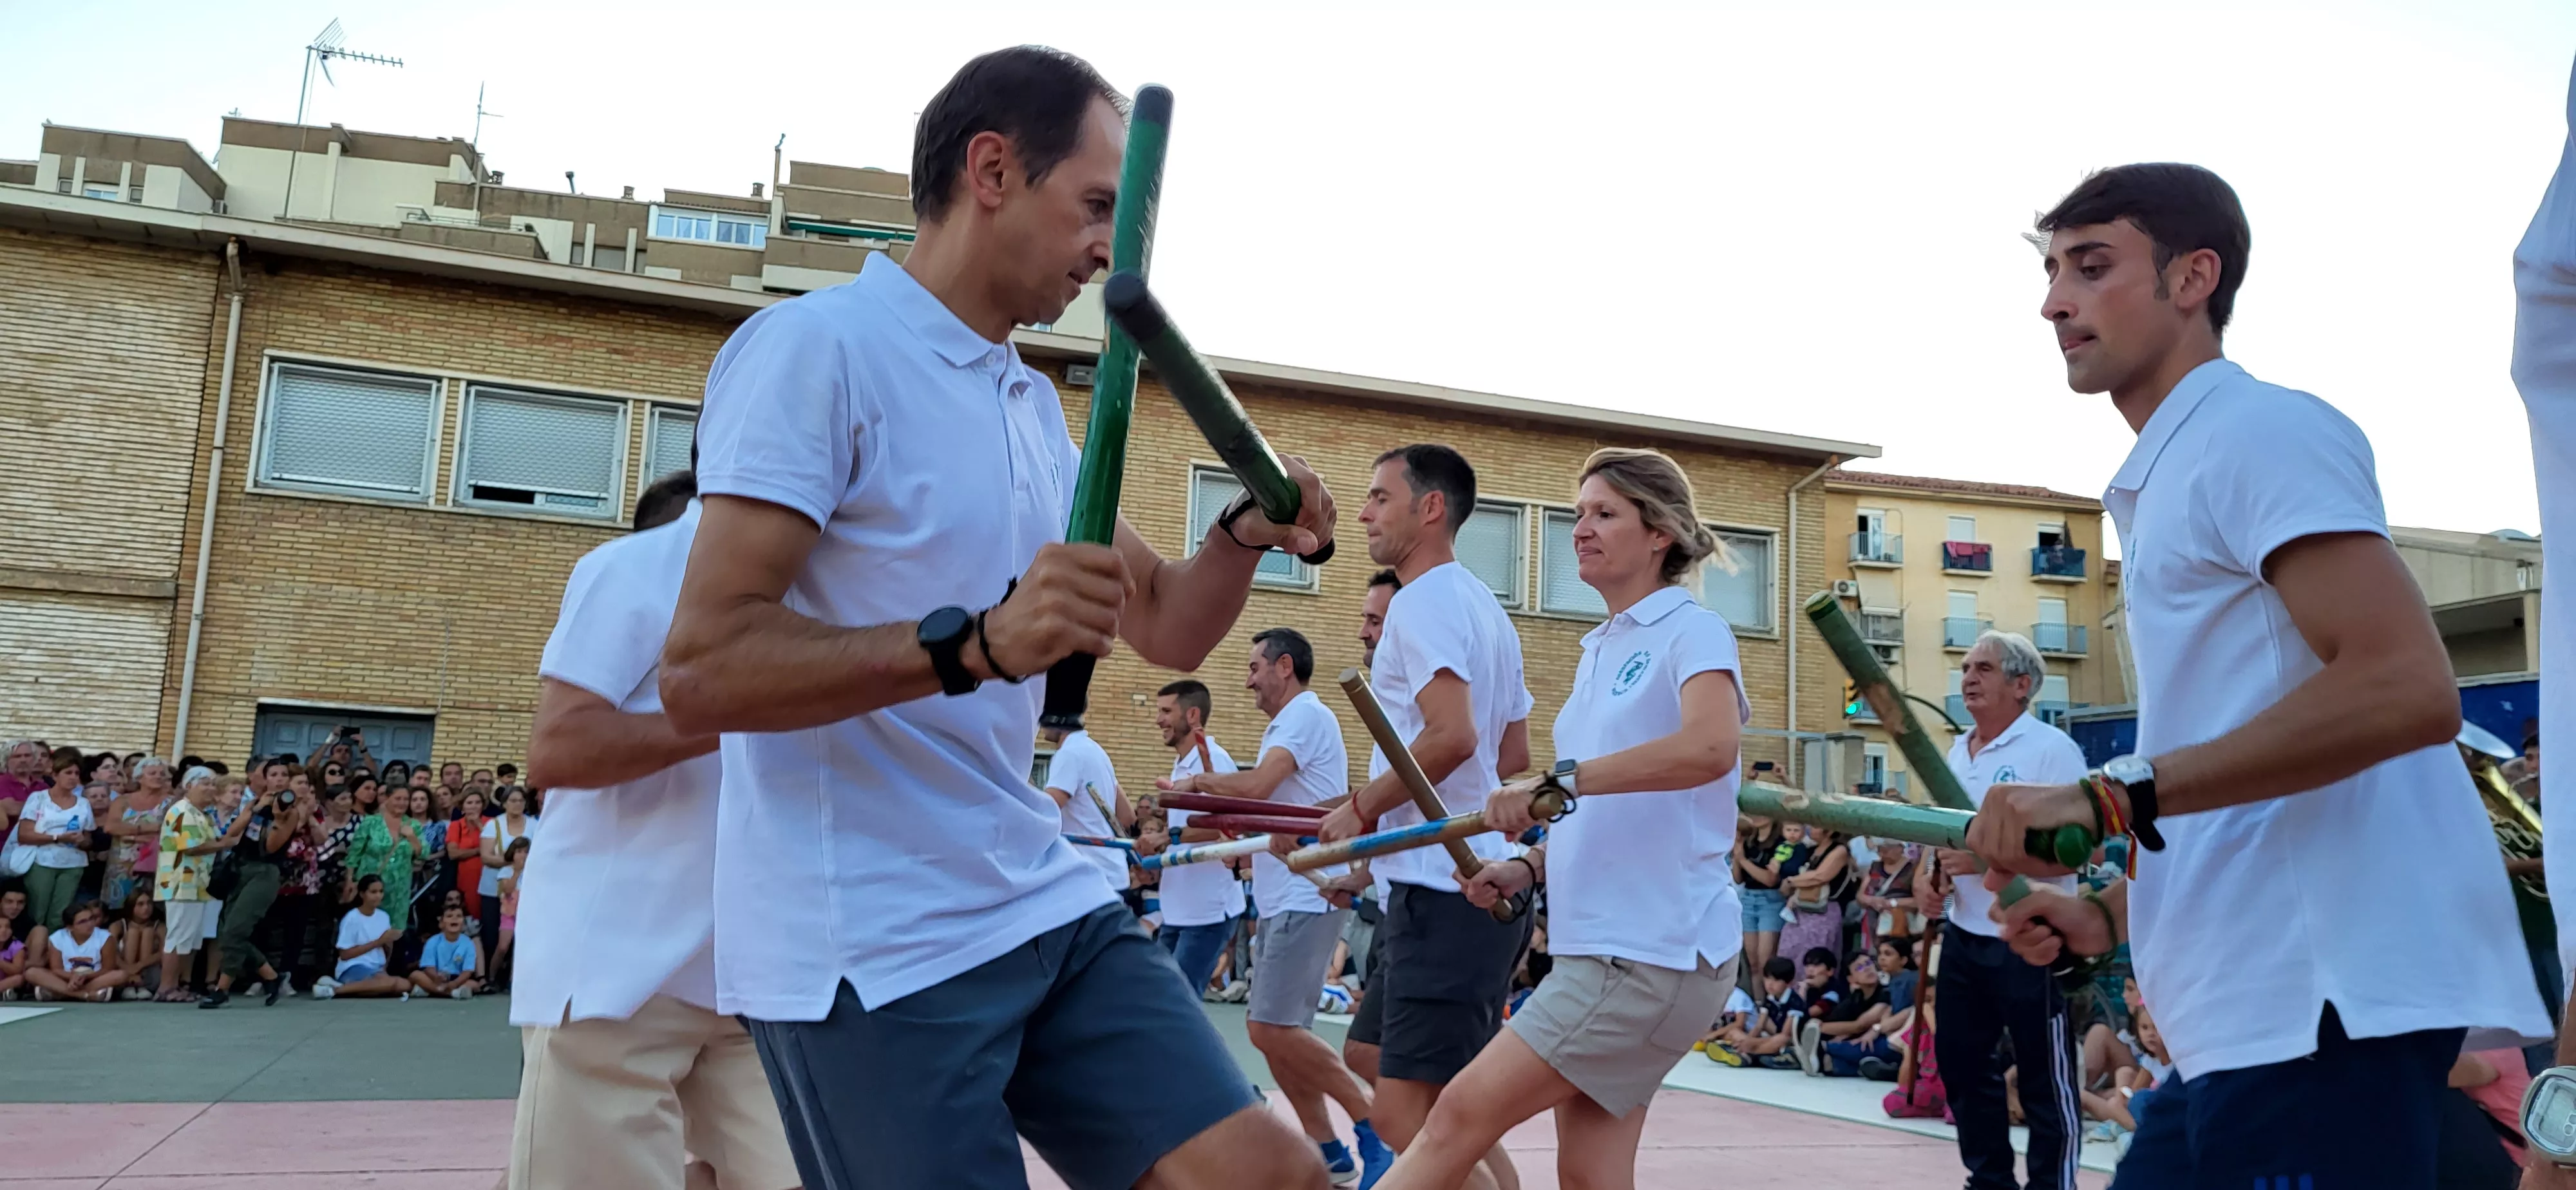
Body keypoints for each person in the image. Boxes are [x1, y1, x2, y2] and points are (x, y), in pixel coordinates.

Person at [658, 44, 1338, 1190]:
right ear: (990, 169)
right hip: (870, 939)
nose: (1104, 252)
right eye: (1093, 209)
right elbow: (703, 664)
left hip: (1034, 885)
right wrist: (977, 643)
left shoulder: (1028, 402)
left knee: (1271, 1175)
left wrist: (1239, 537)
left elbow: (1166, 621)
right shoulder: (818, 350)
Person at [1971, 163, 2548, 1187]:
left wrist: (2108, 796)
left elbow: (2406, 689)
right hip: (2244, 1019)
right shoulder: (2169, 476)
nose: (2054, 300)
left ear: (2196, 277)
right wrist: (2114, 913)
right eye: (2053, 270)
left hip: (2322, 1007)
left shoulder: (2259, 431)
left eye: (2093, 266)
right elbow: (2249, 745)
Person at [1378, 448, 1746, 1190]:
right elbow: (1612, 807)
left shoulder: (1691, 631)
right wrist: (1529, 864)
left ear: (1660, 533)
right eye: (1578, 514)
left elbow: (1709, 748)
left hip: (1649, 950)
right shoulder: (1600, 653)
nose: (1581, 529)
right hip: (1610, 947)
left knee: (1456, 1117)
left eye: (1604, 513)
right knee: (1590, 1176)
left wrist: (1559, 782)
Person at [510, 469, 799, 1190]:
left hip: (757, 974)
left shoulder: (822, 588)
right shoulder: (632, 569)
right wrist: (733, 710)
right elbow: (559, 749)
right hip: (618, 970)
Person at [1314, 444, 1531, 1190]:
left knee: (1411, 1120)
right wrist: (1368, 830)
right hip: (1443, 888)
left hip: (1452, 895)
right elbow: (1513, 756)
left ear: (1429, 507)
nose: (1366, 512)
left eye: (1379, 497)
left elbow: (1452, 737)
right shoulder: (1483, 608)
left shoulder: (1423, 601)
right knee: (1378, 1064)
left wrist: (1362, 808)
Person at [1162, 627, 1386, 1185]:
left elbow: (1260, 787)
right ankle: (1328, 1150)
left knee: (1269, 1031)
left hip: (1305, 894)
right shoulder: (1287, 725)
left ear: (1284, 666)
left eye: (1255, 667)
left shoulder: (1303, 717)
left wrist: (1196, 785)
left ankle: (1372, 1127)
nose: (1248, 680)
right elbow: (1268, 805)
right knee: (1285, 1042)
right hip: (1286, 891)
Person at [1913, 631, 2089, 1188]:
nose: (1968, 678)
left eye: (1983, 668)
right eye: (1965, 667)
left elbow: (2073, 848)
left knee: (2044, 1077)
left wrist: (1987, 858)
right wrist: (1926, 878)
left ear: (2021, 685)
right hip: (1966, 937)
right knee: (1963, 1066)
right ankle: (1988, 1180)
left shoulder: (2051, 751)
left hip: (2034, 935)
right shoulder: (1954, 753)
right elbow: (1935, 836)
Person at [1133, 679, 1245, 997]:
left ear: (1193, 715)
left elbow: (1230, 827)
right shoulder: (1182, 765)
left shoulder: (1216, 763)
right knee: (1164, 1000)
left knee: (1179, 1001)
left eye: (1166, 711)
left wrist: (1168, 838)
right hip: (1179, 907)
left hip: (1209, 909)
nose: (1159, 720)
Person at [204, 755, 297, 1008]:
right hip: (240, 869)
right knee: (227, 932)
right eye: (273, 775)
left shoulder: (291, 810)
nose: (279, 780)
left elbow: (271, 847)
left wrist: (277, 819)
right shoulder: (254, 802)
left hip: (265, 872)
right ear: (264, 779)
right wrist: (255, 810)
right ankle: (271, 977)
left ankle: (222, 989)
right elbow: (232, 834)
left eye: (283, 775)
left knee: (236, 931)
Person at [155, 767, 251, 1003]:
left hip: (198, 883)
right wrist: (225, 844)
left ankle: (176, 986)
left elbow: (218, 839)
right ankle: (166, 988)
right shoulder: (182, 811)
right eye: (204, 784)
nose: (210, 788)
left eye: (212, 784)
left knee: (189, 937)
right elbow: (190, 846)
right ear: (189, 786)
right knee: (177, 936)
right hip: (181, 881)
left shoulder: (202, 813)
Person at [1041, 723, 1132, 897]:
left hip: (1087, 879)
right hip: (1114, 874)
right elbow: (1127, 816)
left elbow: (1044, 813)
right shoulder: (1097, 751)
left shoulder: (1069, 754)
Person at [19, 750, 97, 929]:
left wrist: (82, 841)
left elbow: (89, 839)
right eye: (68, 773)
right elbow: (24, 834)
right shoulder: (38, 798)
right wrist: (58, 838)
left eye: (76, 773)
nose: (73, 777)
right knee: (37, 912)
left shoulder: (84, 803)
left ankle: (53, 951)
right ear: (55, 775)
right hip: (43, 862)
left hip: (73, 864)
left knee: (60, 914)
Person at [343, 777, 423, 936]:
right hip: (371, 887)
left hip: (398, 892)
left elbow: (422, 853)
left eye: (406, 799)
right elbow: (355, 853)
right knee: (366, 932)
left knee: (392, 935)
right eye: (398, 798)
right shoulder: (371, 822)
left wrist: (412, 837)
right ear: (387, 799)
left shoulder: (414, 825)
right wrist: (349, 880)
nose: (402, 803)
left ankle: (387, 961)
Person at [317, 874, 412, 999]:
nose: (378, 896)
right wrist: (377, 942)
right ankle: (336, 990)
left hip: (376, 968)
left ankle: (340, 988)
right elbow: (345, 954)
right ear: (362, 894)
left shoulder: (384, 917)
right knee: (389, 984)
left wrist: (386, 956)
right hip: (353, 966)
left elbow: (387, 948)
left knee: (404, 985)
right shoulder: (352, 918)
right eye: (373, 892)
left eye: (381, 892)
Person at [101, 757, 170, 908]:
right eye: (152, 773)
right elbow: (111, 827)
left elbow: (168, 831)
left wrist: (127, 834)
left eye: (162, 774)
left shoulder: (172, 803)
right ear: (139, 777)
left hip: (154, 866)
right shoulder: (122, 801)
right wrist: (145, 829)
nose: (158, 776)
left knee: (149, 911)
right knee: (116, 910)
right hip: (120, 868)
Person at [30, 900, 129, 1003]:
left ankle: (58, 992)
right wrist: (73, 977)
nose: (90, 924)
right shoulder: (58, 937)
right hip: (66, 979)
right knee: (31, 972)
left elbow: (108, 969)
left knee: (122, 975)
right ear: (70, 927)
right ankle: (84, 995)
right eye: (82, 922)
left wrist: (84, 977)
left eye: (91, 919)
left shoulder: (105, 937)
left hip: (93, 979)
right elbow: (56, 969)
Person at [478, 786, 537, 959]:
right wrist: (515, 862)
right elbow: (486, 857)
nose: (517, 804)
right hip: (493, 887)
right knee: (491, 931)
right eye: (513, 800)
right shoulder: (493, 824)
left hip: (525, 889)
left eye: (521, 800)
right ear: (504, 803)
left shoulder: (535, 825)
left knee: (520, 934)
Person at [1734, 813, 1787, 980]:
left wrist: (1742, 860)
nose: (1757, 816)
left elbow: (1770, 879)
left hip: (1770, 900)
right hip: (1748, 898)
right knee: (1753, 964)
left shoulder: (1781, 843)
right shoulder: (1749, 840)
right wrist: (1738, 855)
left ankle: (1771, 1002)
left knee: (1766, 962)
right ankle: (1759, 1003)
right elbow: (1738, 878)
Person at [411, 904, 482, 999]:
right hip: (436, 978)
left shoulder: (468, 943)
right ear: (442, 923)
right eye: (449, 916)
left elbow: (468, 971)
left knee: (474, 985)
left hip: (457, 979)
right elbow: (428, 967)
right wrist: (436, 978)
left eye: (459, 916)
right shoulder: (433, 941)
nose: (454, 919)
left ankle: (430, 990)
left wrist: (455, 983)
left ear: (463, 923)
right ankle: (452, 993)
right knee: (415, 975)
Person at [109, 892, 160, 999]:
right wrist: (129, 970)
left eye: (149, 903)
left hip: (150, 974)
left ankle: (143, 984)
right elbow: (109, 952)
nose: (146, 908)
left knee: (148, 932)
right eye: (140, 904)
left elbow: (164, 952)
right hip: (124, 972)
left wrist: (139, 966)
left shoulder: (160, 926)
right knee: (133, 933)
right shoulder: (118, 926)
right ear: (131, 906)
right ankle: (130, 984)